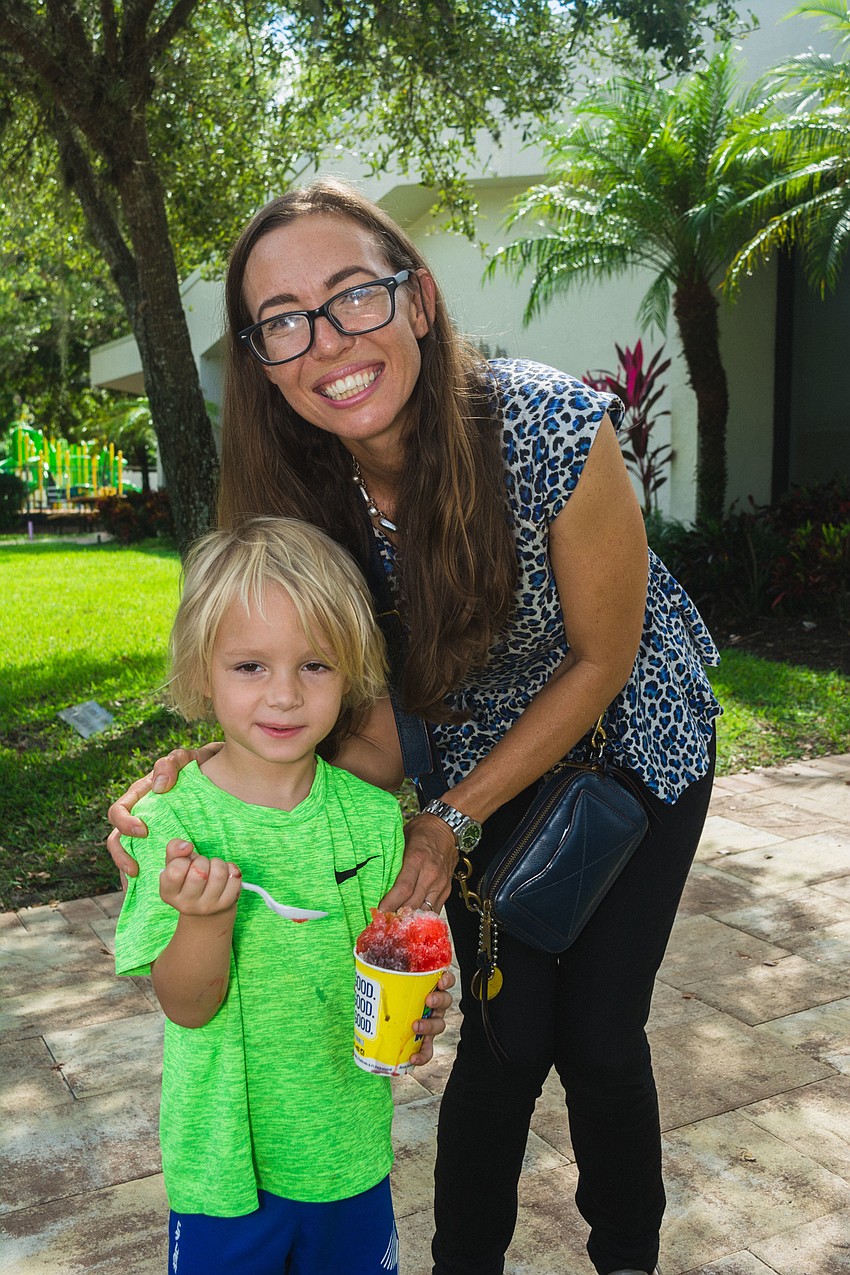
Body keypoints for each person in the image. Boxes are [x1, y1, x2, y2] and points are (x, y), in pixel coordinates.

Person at [108, 177, 722, 1275]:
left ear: (420, 301)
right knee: (501, 1035)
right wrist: (206, 782)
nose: (325, 339)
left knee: (595, 1034)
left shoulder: (543, 424)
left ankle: (626, 1254)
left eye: (352, 295)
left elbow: (603, 658)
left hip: (630, 735)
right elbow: (315, 688)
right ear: (258, 355)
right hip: (474, 743)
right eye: (282, 320)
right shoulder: (296, 488)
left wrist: (444, 820)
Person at [113, 516, 453, 1275]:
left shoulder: (370, 819)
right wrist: (205, 920)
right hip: (224, 1168)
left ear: (353, 671)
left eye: (315, 665)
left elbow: (394, 966)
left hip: (348, 1154)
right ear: (203, 671)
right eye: (249, 666)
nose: (285, 694)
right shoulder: (170, 821)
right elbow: (186, 1005)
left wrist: (421, 1012)